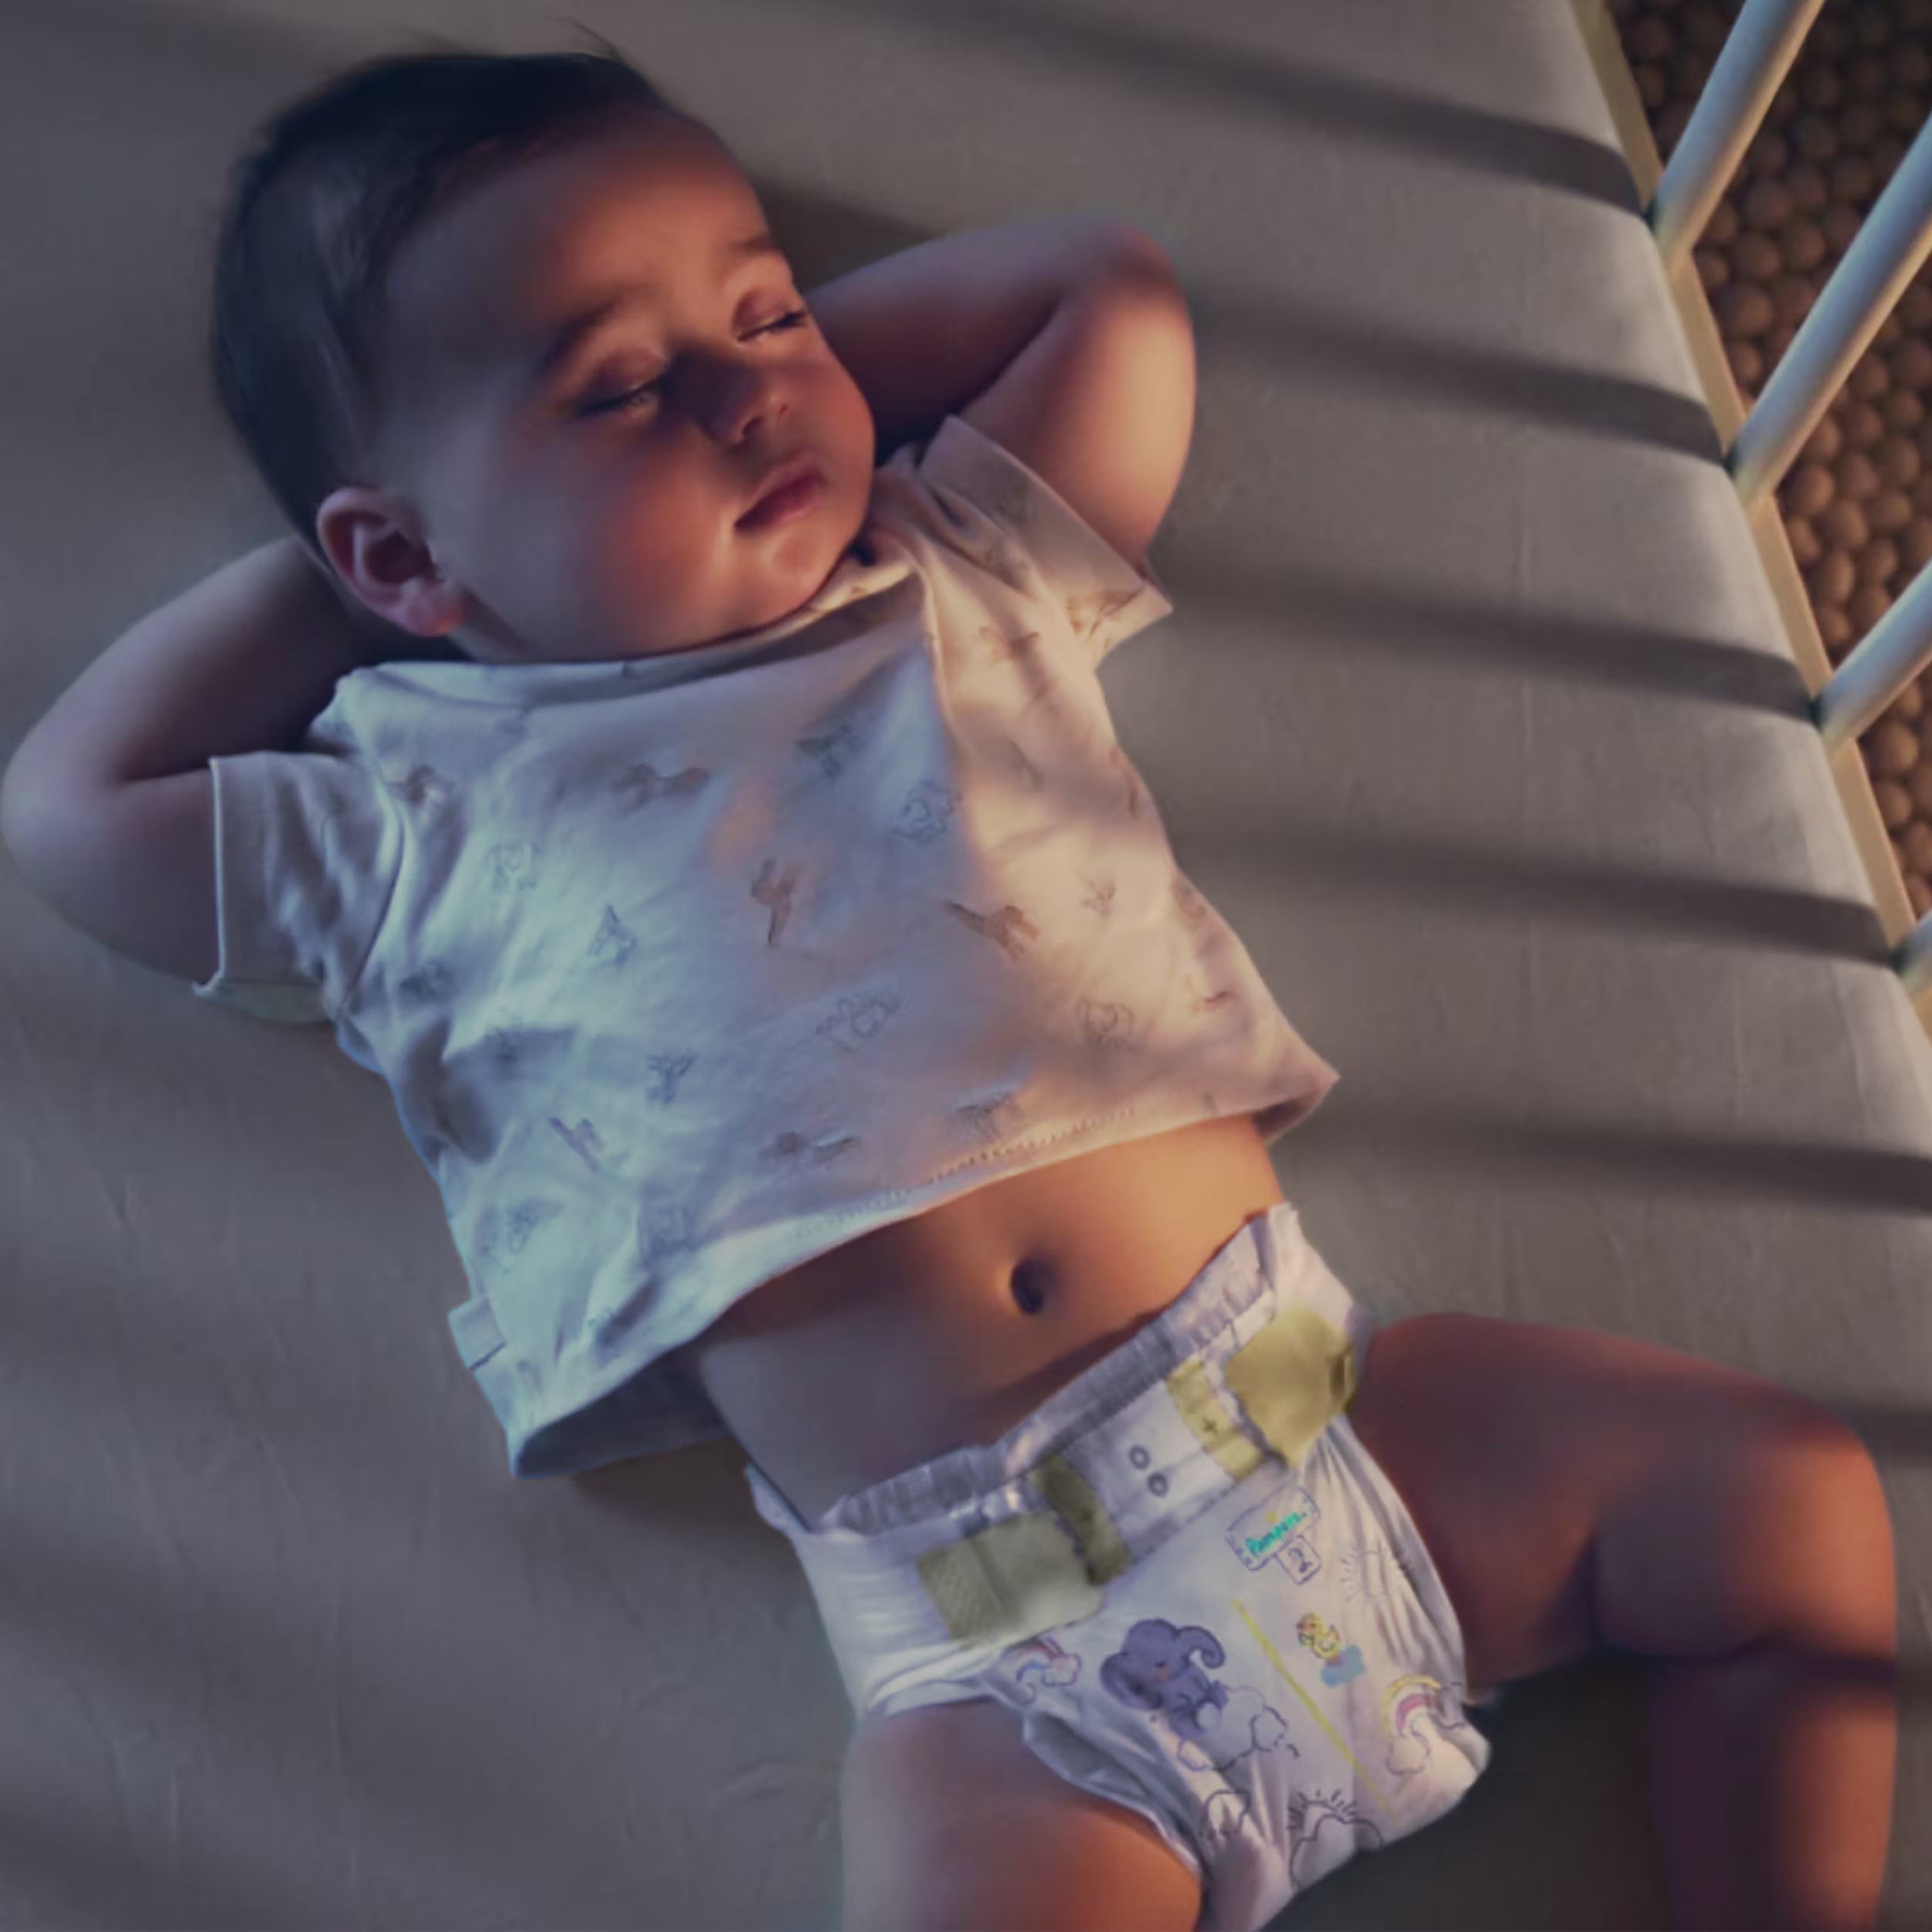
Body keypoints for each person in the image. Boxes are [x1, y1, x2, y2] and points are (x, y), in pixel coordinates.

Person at [0, 39, 1898, 1932]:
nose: (749, 391)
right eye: (623, 385)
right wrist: (379, 577)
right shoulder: (410, 818)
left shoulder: (950, 570)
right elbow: (69, 810)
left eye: (767, 311)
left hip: (1331, 1421)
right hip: (1004, 1671)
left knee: (1784, 1496)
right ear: (394, 548)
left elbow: (1102, 290)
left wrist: (708, 398)